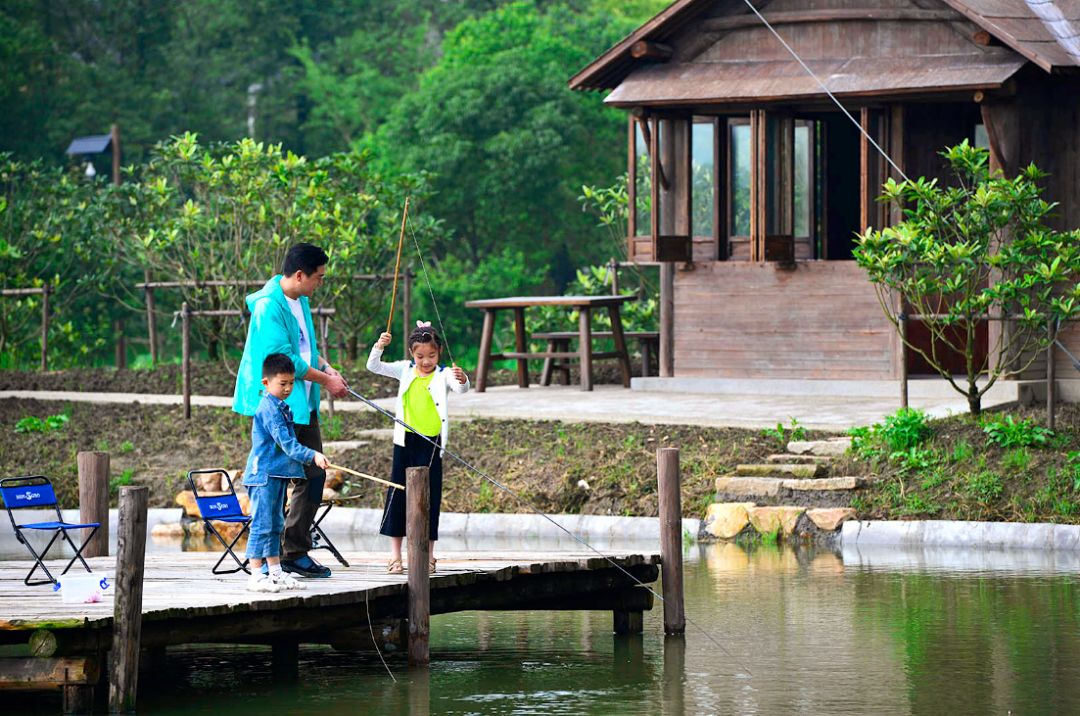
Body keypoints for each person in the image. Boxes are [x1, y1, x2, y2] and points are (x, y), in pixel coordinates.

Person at [233, 243, 347, 578]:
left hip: (303, 401)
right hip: (279, 405)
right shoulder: (269, 307)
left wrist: (328, 369)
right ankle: (279, 556)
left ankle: (291, 551)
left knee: (312, 475)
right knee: (283, 477)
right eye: (318, 278)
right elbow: (287, 361)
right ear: (300, 275)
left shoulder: (301, 300)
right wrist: (326, 381)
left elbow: (307, 348)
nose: (320, 284)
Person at [367, 321, 469, 574]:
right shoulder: (405, 370)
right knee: (397, 494)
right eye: (420, 355)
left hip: (431, 443)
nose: (426, 361)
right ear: (412, 353)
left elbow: (461, 389)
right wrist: (380, 346)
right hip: (405, 441)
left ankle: (430, 556)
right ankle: (395, 557)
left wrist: (463, 378)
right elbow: (373, 366)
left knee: (430, 498)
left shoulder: (443, 374)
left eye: (431, 356)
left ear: (439, 353)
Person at [243, 353, 331, 592]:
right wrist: (313, 455)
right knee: (261, 525)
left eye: (291, 383)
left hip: (277, 475)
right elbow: (288, 444)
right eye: (282, 383)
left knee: (275, 525)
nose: (288, 388)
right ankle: (255, 574)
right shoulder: (269, 409)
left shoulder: (282, 407)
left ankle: (275, 572)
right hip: (262, 476)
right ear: (266, 383)